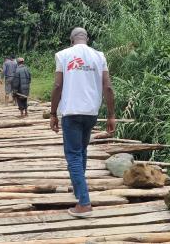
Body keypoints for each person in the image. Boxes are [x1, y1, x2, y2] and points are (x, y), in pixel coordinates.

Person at [49, 27, 115, 217]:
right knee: (82, 151)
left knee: (73, 155)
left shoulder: (63, 55)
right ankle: (79, 190)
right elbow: (108, 87)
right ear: (87, 39)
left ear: (71, 40)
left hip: (71, 111)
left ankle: (84, 203)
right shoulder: (99, 56)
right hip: (91, 113)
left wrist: (53, 113)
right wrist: (111, 115)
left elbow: (57, 85)